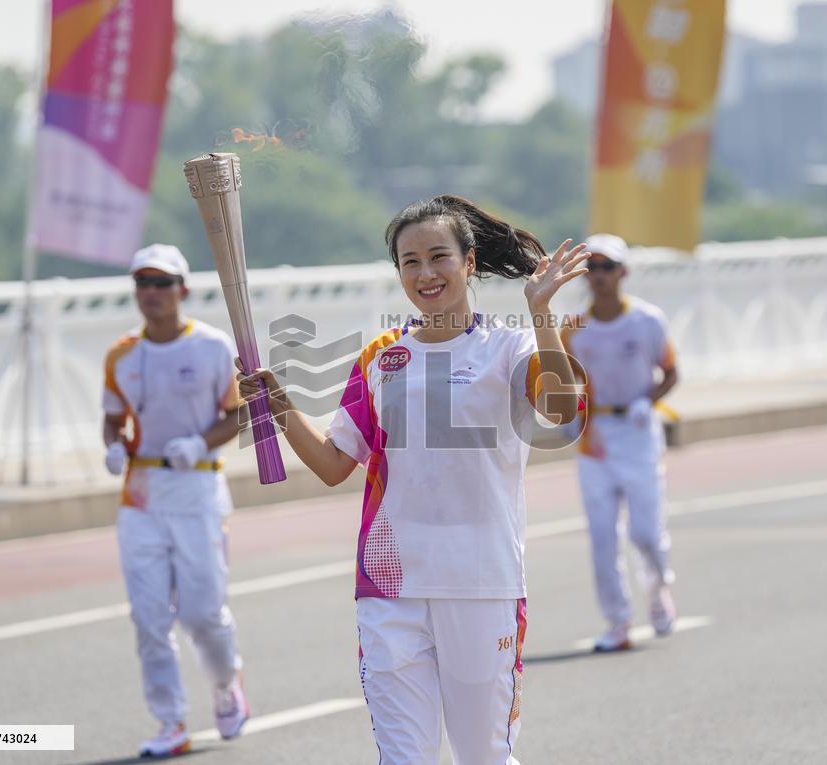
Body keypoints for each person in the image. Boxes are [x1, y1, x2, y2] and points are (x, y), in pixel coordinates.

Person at [238, 195, 586, 765]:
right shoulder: (380, 356)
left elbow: (561, 411)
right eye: (410, 262)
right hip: (389, 587)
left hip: (480, 582)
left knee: (482, 757)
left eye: (438, 257)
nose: (426, 274)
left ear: (469, 262)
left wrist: (540, 313)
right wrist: (278, 405)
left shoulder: (510, 346)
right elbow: (333, 464)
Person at [101, 243, 250, 758]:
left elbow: (238, 413)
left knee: (202, 613)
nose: (152, 292)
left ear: (182, 290)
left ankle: (226, 683)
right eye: (143, 283)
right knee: (148, 619)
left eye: (162, 283)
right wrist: (113, 445)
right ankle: (171, 722)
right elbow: (112, 417)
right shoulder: (121, 354)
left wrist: (200, 443)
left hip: (198, 491)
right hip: (141, 497)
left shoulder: (211, 347)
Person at [559, 233, 679, 652]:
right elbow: (564, 381)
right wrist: (570, 416)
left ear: (622, 272)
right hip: (596, 440)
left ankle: (659, 588)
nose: (599, 275)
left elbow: (671, 371)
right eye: (591, 267)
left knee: (645, 533)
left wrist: (648, 401)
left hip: (639, 433)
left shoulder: (647, 320)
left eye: (607, 267)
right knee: (602, 538)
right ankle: (618, 621)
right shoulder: (573, 328)